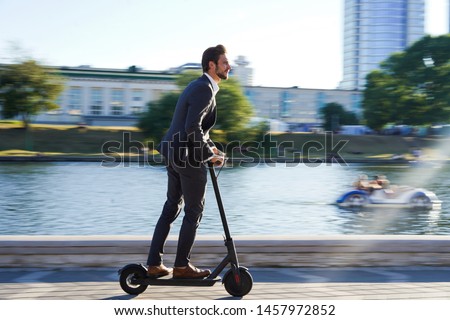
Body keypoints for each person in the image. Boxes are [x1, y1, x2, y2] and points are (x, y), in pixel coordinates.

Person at [146, 45, 230, 279]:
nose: (229, 67)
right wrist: (207, 155)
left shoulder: (200, 86)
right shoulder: (204, 89)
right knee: (194, 210)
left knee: (172, 206)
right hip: (187, 157)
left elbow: (197, 127)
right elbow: (191, 127)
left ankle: (154, 264)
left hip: (174, 153)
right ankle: (182, 267)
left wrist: (212, 148)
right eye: (224, 63)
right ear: (212, 65)